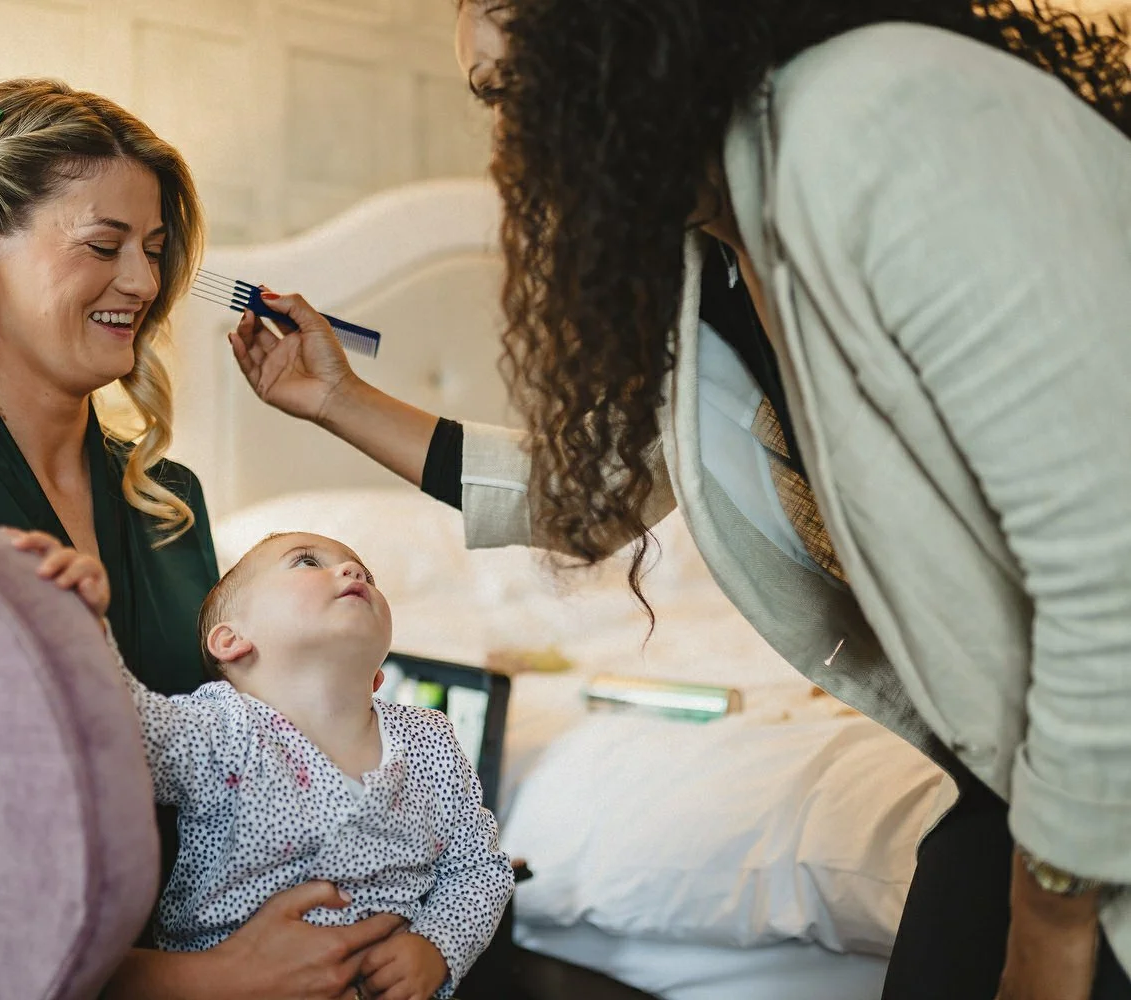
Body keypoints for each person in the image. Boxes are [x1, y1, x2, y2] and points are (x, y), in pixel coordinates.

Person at [228, 2, 1131, 999]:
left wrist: (1051, 919)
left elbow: (1110, 564)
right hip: (1014, 776)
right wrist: (339, 402)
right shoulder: (717, 251)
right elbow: (589, 492)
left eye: (505, 96)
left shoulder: (871, 118)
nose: (502, 147)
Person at [0, 78, 405, 999]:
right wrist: (201, 981)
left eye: (156, 251)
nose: (145, 283)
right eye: (104, 246)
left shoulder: (170, 505)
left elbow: (224, 771)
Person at [12, 527, 514, 1000]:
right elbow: (128, 729)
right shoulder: (222, 728)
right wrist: (86, 626)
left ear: (378, 674)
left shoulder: (430, 740)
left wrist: (436, 947)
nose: (353, 574)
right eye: (308, 562)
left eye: (365, 573)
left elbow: (481, 869)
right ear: (232, 640)